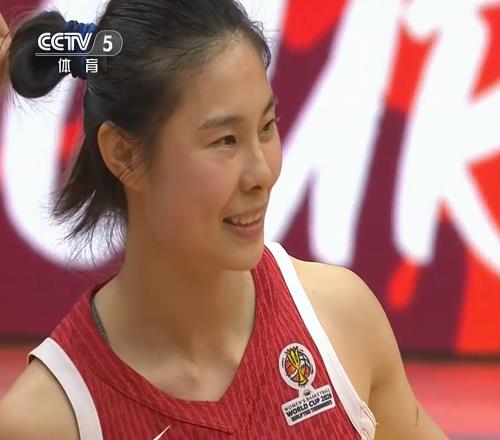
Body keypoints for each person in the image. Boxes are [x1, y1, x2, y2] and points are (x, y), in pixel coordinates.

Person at [0, 1, 448, 439]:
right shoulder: (49, 419)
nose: (262, 173)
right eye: (226, 140)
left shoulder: (339, 319)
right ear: (124, 154)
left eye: (267, 127)